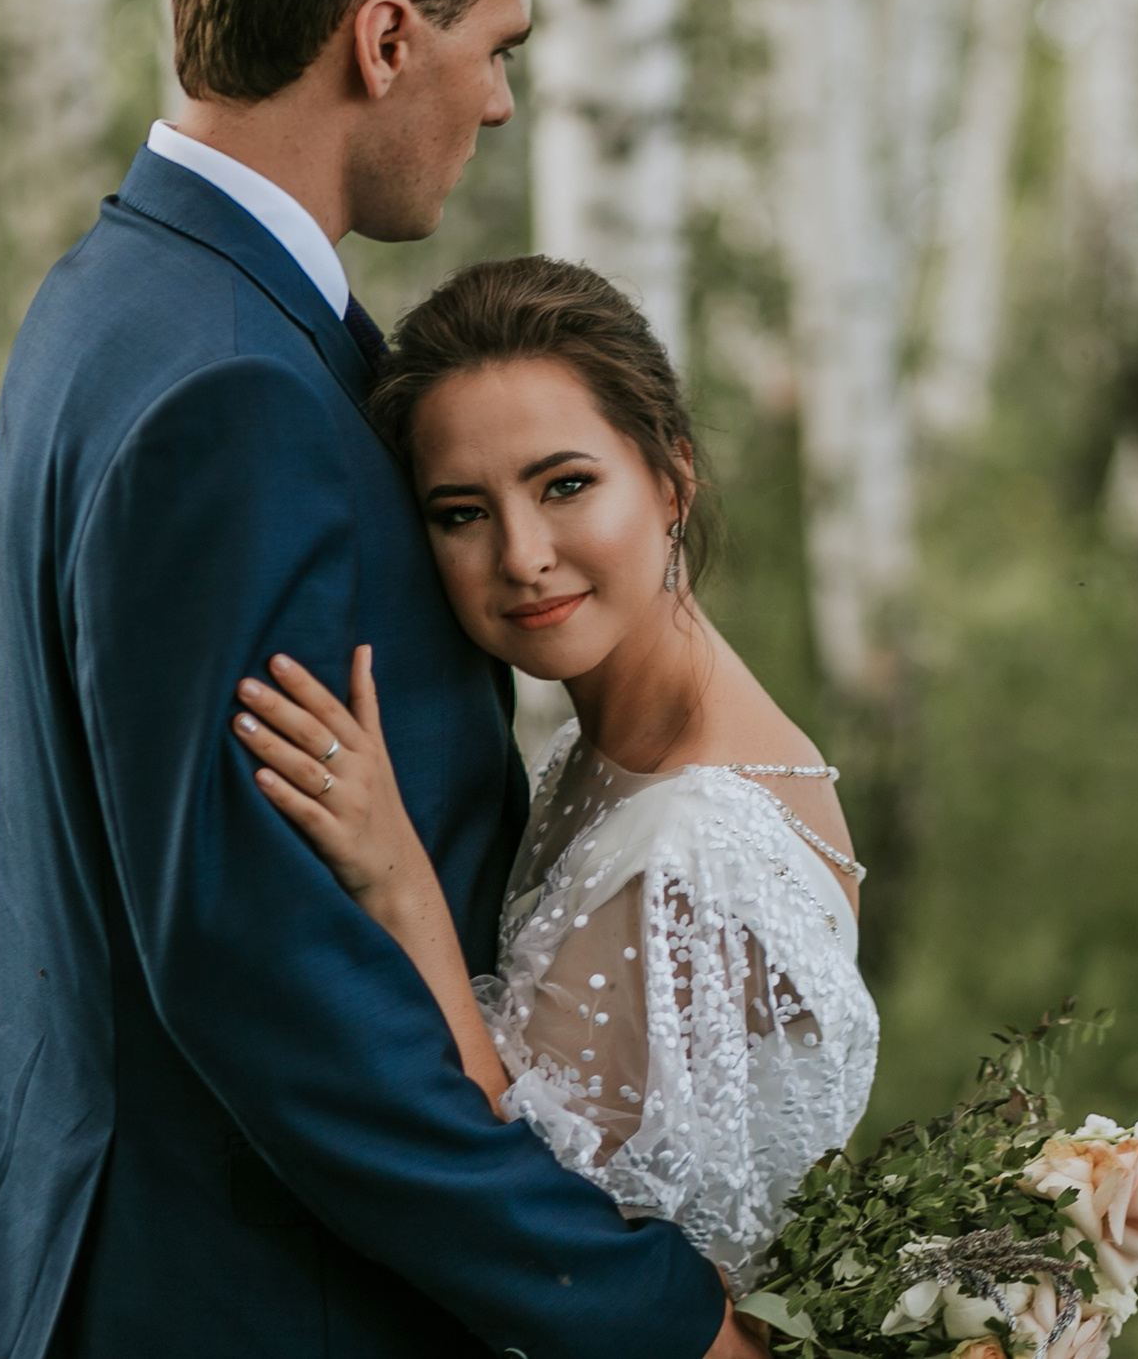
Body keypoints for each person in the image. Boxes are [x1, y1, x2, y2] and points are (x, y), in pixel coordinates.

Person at [0, 0, 765, 1358]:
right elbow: (279, 993)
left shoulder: (114, 298)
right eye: (494, 45)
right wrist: (651, 1321)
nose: (502, 98)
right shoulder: (234, 394)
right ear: (387, 38)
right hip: (250, 1306)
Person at [231, 259, 878, 1296]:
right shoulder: (605, 751)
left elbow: (527, 1202)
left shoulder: (695, 841)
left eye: (565, 485)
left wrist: (396, 877)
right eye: (460, 512)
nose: (522, 555)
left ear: (672, 478)